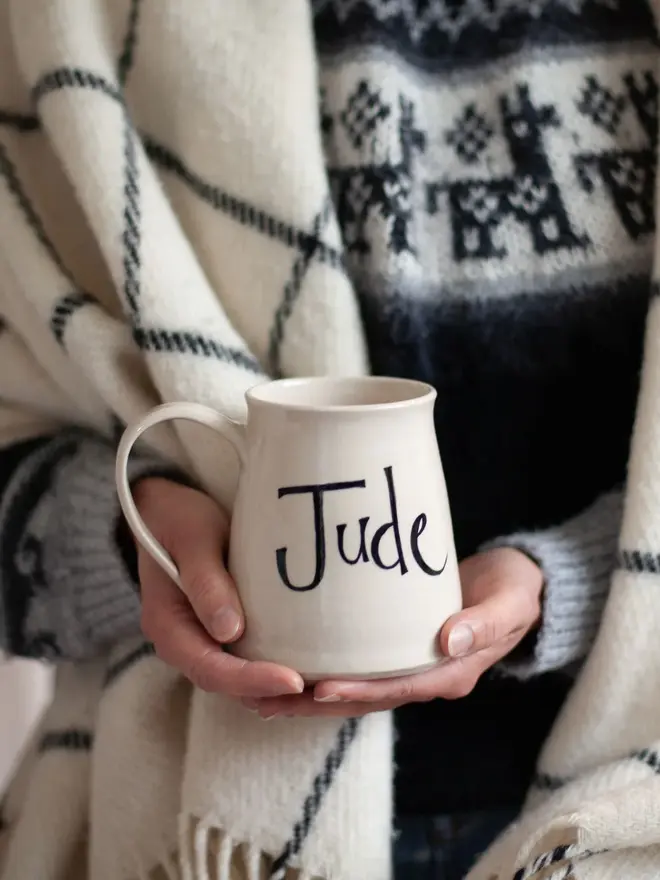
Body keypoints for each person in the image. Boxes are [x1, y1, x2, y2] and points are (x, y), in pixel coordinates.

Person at [0, 1, 656, 878]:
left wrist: (569, 577)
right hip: (191, 828)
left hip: (618, 815)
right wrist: (139, 537)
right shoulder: (75, 20)